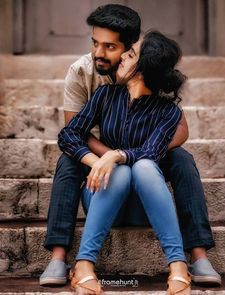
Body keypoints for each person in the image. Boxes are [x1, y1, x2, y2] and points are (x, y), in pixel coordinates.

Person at [40, 4, 221, 287]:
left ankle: (195, 256)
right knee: (70, 160)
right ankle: (61, 257)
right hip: (103, 171)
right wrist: (102, 159)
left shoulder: (158, 79)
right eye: (95, 43)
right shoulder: (92, 81)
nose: (100, 53)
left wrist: (123, 155)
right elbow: (72, 132)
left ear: (129, 49)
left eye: (111, 47)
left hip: (143, 171)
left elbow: (178, 133)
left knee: (178, 159)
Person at [58, 30, 192, 295]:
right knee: (118, 172)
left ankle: (178, 265)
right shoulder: (106, 96)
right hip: (103, 198)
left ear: (143, 68)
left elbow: (151, 152)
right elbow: (69, 134)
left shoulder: (168, 111)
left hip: (145, 206)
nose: (121, 59)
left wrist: (115, 154)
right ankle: (84, 265)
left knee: (141, 166)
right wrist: (97, 160)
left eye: (129, 55)